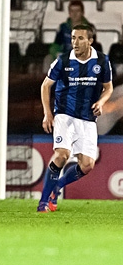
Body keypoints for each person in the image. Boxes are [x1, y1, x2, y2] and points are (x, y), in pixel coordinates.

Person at [38, 24, 113, 212]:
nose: (75, 42)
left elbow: (108, 87)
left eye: (80, 38)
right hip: (64, 114)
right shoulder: (63, 61)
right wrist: (48, 113)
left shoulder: (102, 62)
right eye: (73, 38)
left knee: (87, 165)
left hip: (87, 119)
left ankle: (57, 187)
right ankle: (43, 203)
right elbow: (46, 86)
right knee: (62, 155)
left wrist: (102, 102)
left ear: (90, 40)